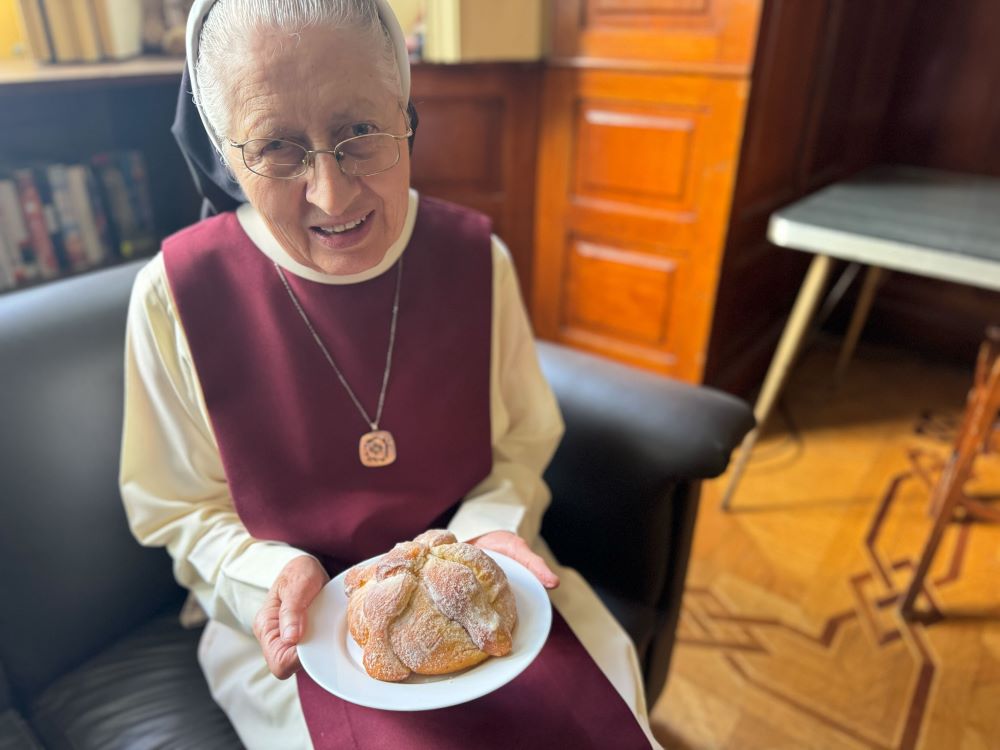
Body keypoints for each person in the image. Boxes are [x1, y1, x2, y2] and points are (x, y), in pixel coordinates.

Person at [120, 1, 660, 747]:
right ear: (223, 147)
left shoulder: (478, 260)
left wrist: (484, 534)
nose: (331, 195)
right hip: (294, 620)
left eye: (360, 132)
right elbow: (178, 508)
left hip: (474, 577)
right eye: (276, 147)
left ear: (406, 110)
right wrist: (269, 581)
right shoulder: (174, 294)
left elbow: (524, 443)